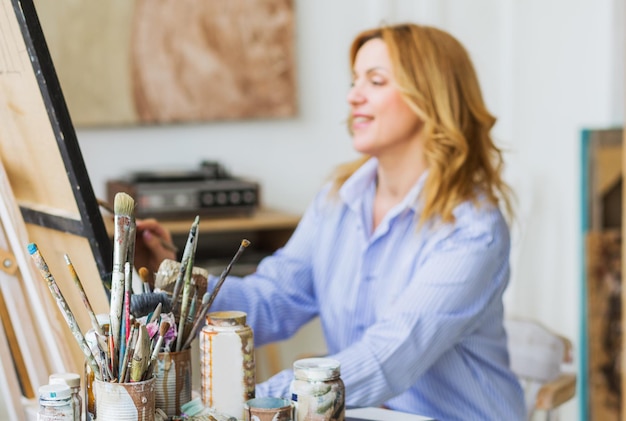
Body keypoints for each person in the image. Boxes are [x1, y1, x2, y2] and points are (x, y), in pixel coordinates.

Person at [135, 23, 527, 420]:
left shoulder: (473, 228)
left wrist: (252, 401)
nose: (353, 96)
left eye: (376, 81)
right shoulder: (339, 199)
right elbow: (273, 300)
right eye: (355, 80)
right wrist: (176, 284)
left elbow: (385, 359)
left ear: (432, 97)